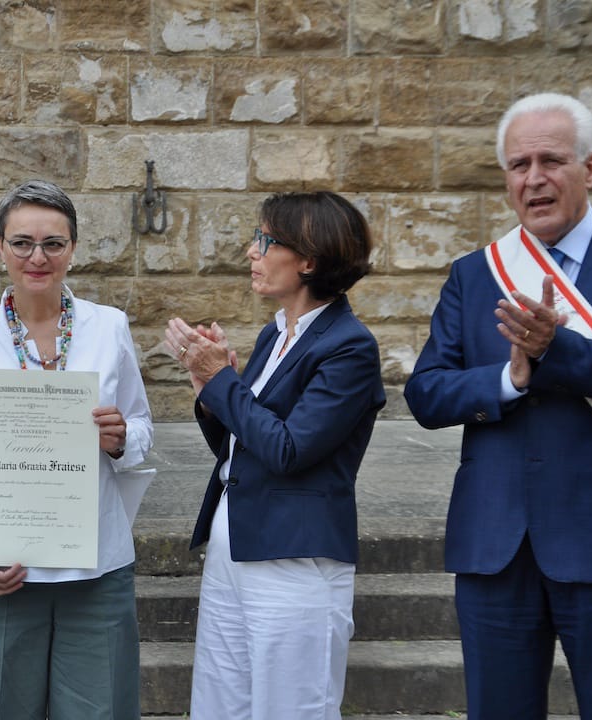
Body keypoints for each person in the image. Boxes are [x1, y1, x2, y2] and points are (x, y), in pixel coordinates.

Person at [404, 93, 592, 718]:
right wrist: (508, 380)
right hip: (495, 545)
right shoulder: (474, 274)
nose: (533, 178)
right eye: (518, 165)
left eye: (551, 161)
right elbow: (426, 394)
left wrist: (558, 350)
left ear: (590, 168)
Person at [0, 180, 154, 719]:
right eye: (22, 242)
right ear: (1, 247)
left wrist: (121, 438)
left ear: (73, 248)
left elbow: (142, 426)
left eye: (53, 243)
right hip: (5, 568)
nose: (38, 257)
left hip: (94, 566)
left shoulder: (109, 327)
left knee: (98, 708)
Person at [165, 192, 385, 720]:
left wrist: (224, 383)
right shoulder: (275, 334)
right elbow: (243, 452)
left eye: (265, 240)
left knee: (290, 709)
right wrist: (212, 391)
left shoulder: (349, 347)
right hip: (235, 547)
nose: (251, 251)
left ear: (308, 259)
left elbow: (290, 450)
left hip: (293, 560)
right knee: (220, 706)